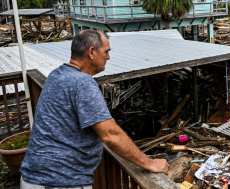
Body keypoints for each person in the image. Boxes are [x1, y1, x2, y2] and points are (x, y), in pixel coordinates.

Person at [20, 29, 168, 188]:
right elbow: (110, 134)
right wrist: (149, 163)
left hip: (33, 178)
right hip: (60, 182)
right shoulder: (82, 82)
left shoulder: (56, 75)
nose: (108, 57)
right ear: (91, 52)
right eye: (106, 51)